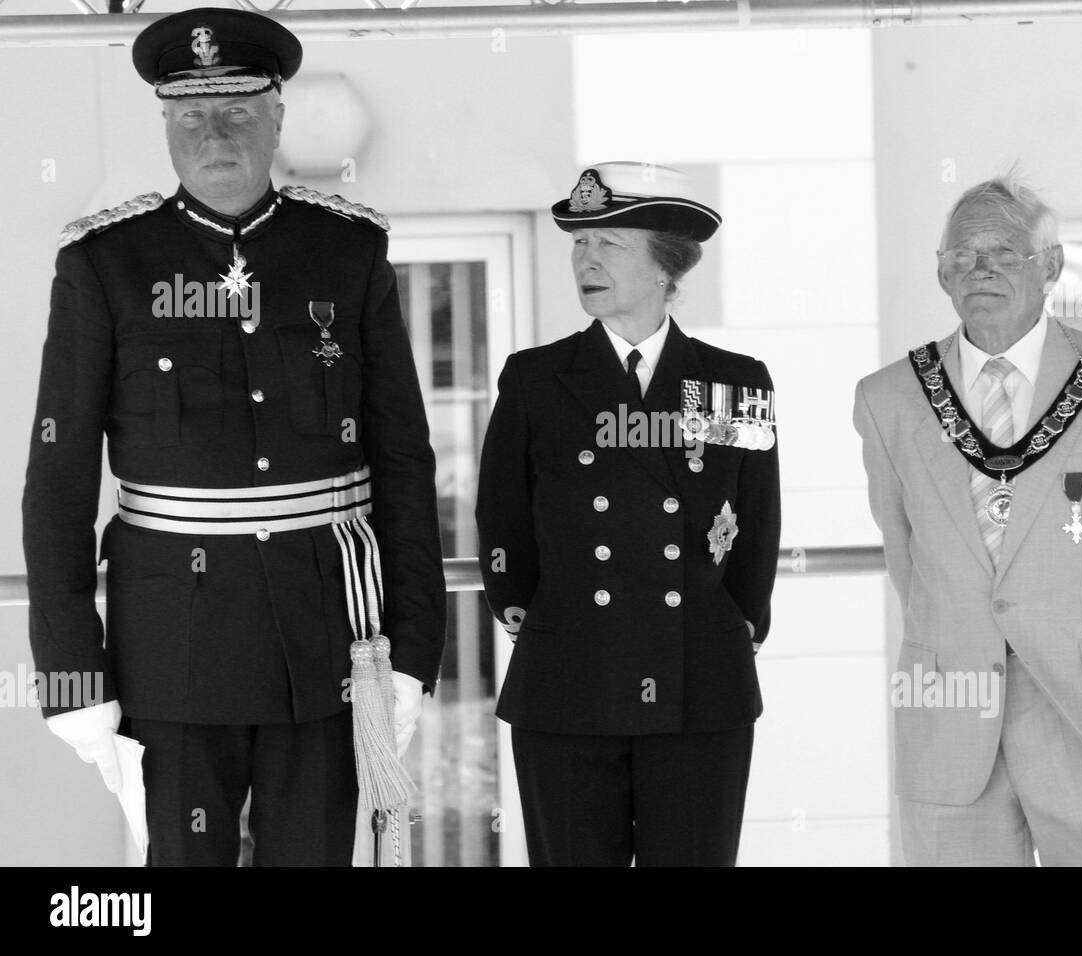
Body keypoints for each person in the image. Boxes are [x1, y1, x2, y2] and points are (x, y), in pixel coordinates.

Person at [23, 7, 446, 866]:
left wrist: (416, 650)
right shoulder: (106, 264)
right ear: (166, 125)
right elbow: (58, 481)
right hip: (171, 651)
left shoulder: (347, 251)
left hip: (328, 641)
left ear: (278, 117)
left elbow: (403, 459)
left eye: (238, 111)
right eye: (190, 115)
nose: (213, 132)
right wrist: (72, 678)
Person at [852, 176, 1082, 866]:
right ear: (941, 271)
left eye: (1005, 252)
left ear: (1052, 267)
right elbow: (908, 558)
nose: (981, 269)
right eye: (963, 254)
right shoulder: (888, 398)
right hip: (951, 707)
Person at [476, 163, 781, 866]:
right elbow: (503, 523)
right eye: (579, 245)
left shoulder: (733, 383)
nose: (585, 260)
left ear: (665, 263)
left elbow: (757, 527)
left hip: (700, 684)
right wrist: (533, 615)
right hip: (569, 683)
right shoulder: (535, 380)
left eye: (608, 244)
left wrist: (734, 627)